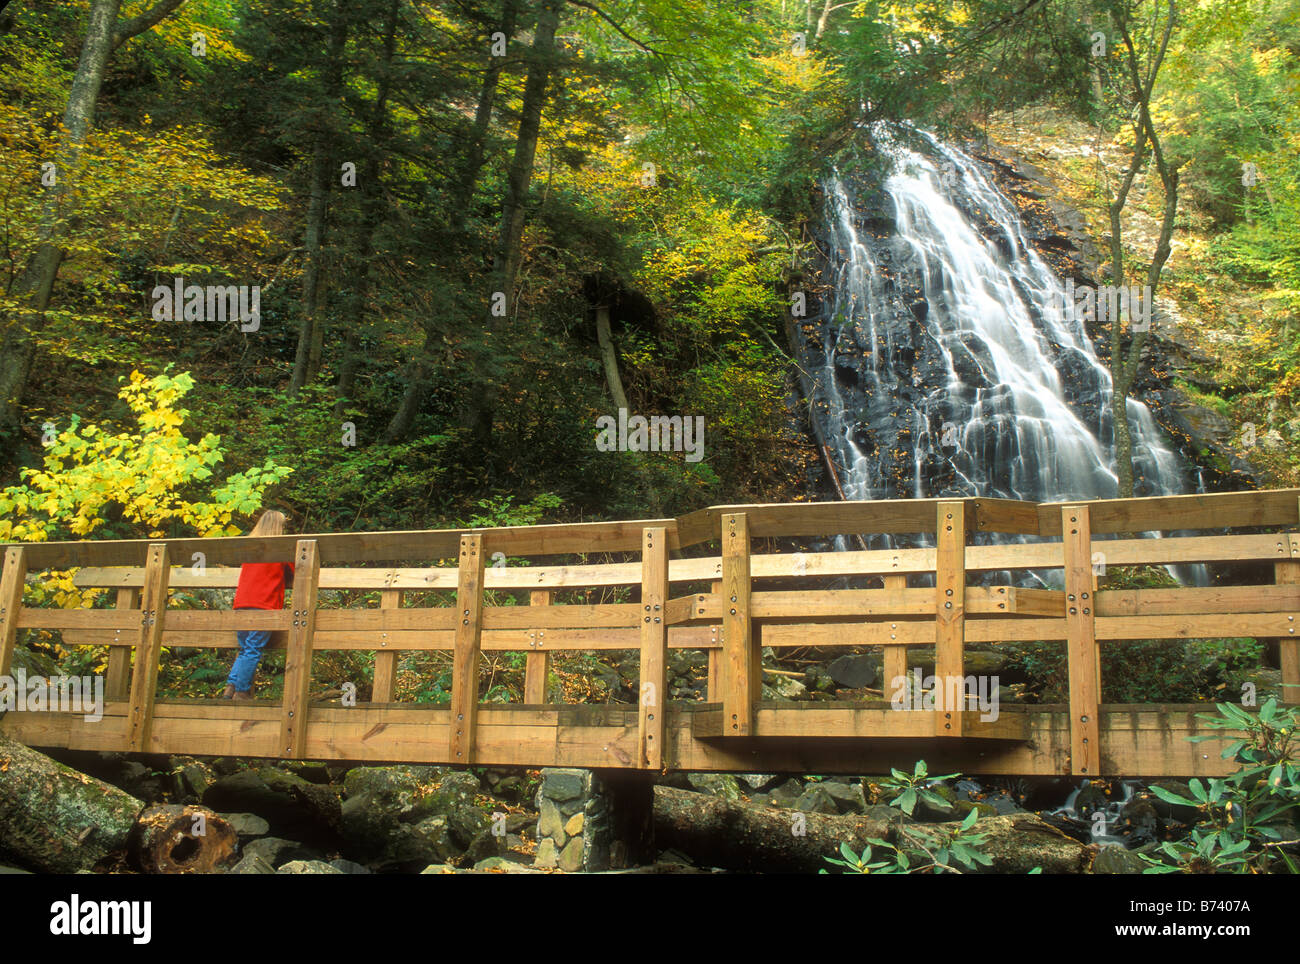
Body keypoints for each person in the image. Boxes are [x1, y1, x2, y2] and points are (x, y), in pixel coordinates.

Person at [222, 510, 294, 700]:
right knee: (253, 649)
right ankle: (242, 691)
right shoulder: (280, 549)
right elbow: (295, 570)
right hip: (263, 605)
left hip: (242, 605)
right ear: (279, 527)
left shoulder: (250, 548)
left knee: (245, 648)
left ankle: (231, 687)